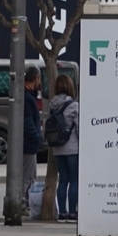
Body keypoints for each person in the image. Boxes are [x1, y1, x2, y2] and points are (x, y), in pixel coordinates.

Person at [46, 74, 80, 222]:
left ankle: (62, 213)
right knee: (74, 180)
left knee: (63, 180)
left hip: (57, 148)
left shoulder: (52, 105)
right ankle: (72, 213)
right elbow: (79, 129)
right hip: (72, 148)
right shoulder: (74, 105)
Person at [20, 67, 45, 197]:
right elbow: (28, 122)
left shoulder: (27, 95)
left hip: (29, 143)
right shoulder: (28, 97)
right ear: (36, 78)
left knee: (30, 175)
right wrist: (36, 137)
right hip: (28, 144)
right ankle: (23, 201)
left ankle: (25, 201)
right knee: (28, 176)